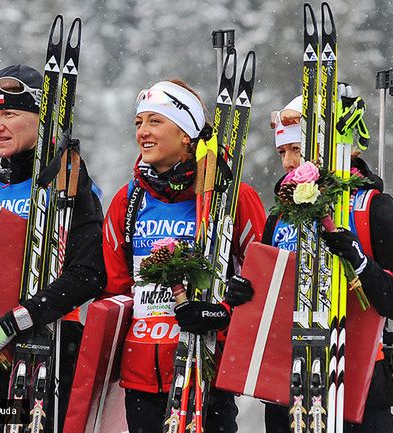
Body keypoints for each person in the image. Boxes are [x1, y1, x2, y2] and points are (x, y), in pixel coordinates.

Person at [0, 64, 106, 433]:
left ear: (40, 118)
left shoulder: (70, 180)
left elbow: (88, 276)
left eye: (10, 114)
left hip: (51, 351)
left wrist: (12, 322)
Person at [101, 79, 266, 433]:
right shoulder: (127, 202)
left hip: (206, 367)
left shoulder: (233, 197)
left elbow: (263, 281)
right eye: (139, 122)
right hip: (142, 374)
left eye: (155, 121)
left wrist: (220, 313)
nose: (143, 132)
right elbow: (116, 288)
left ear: (186, 134)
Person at [261, 95, 393, 432]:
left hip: (359, 386)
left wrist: (361, 264)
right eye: (282, 152)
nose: (288, 164)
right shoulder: (279, 218)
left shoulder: (375, 209)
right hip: (289, 385)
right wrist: (245, 293)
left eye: (296, 150)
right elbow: (267, 303)